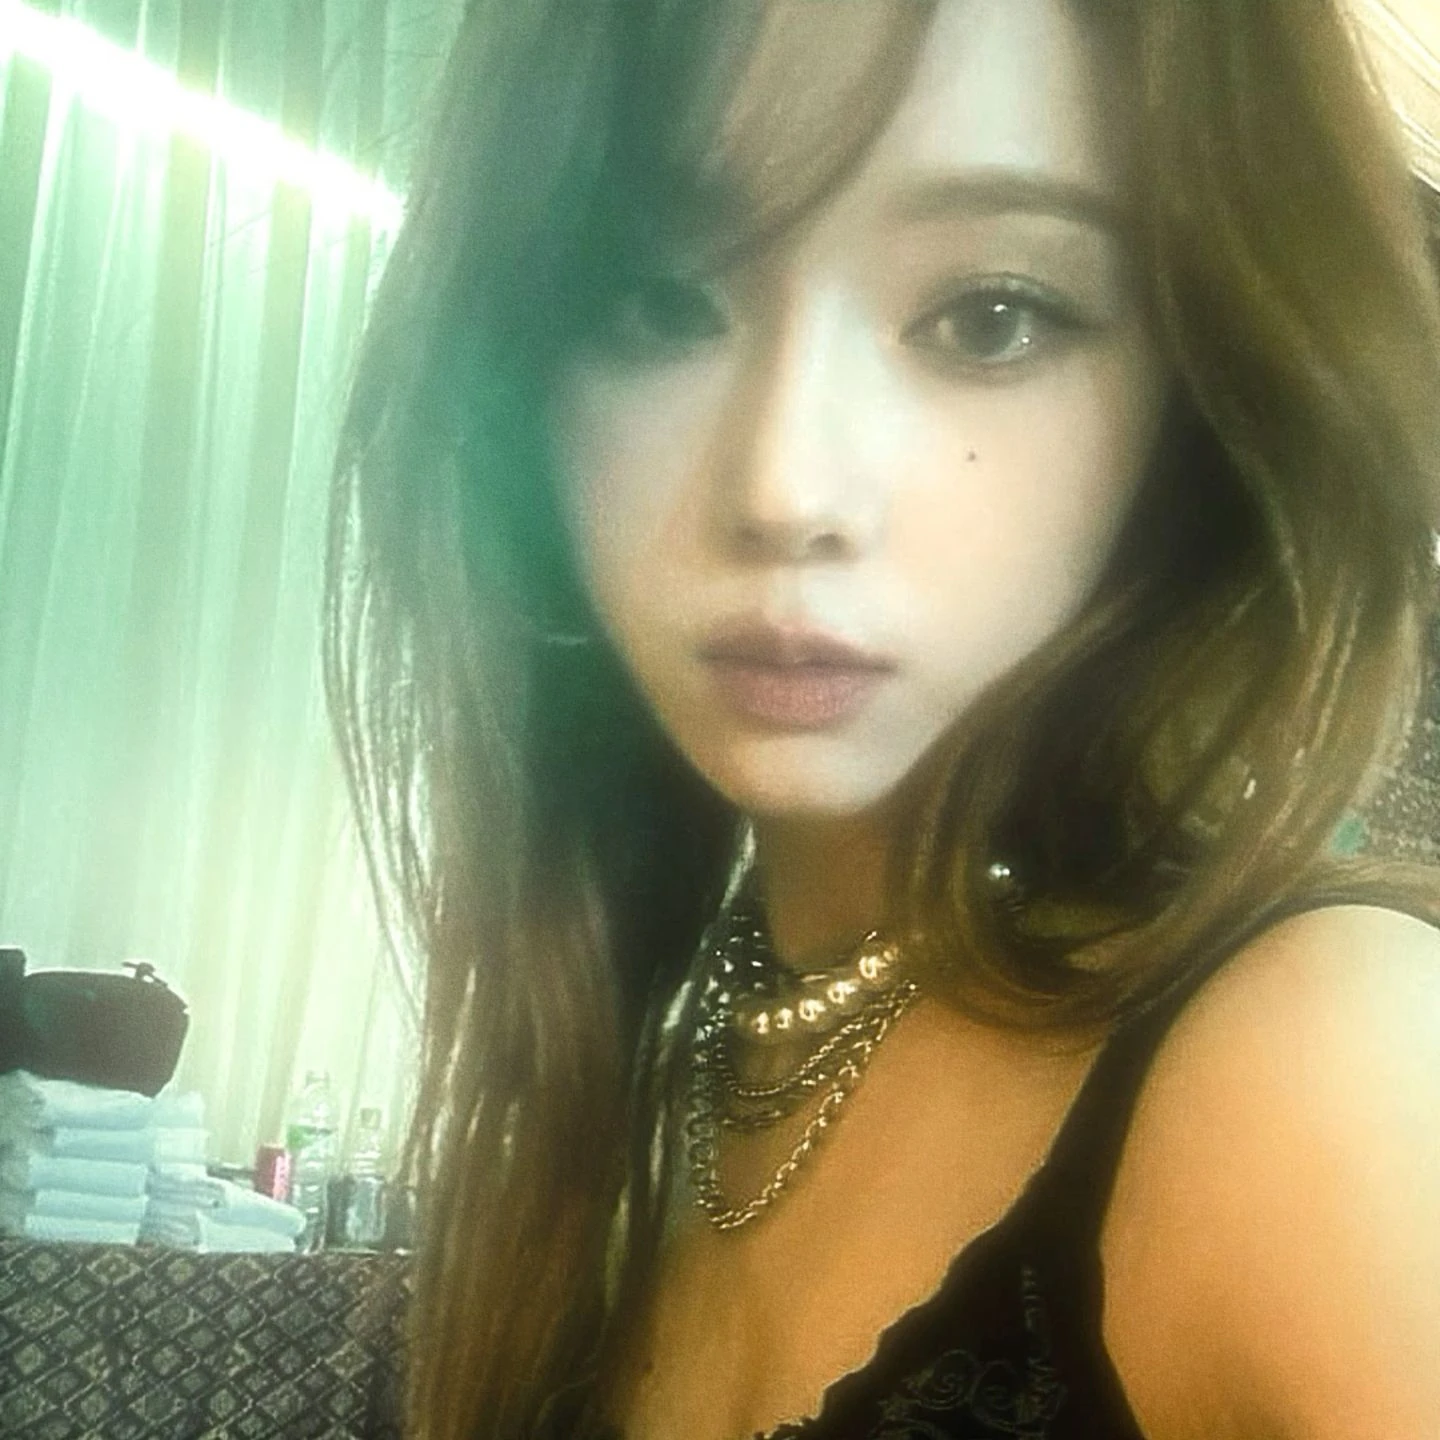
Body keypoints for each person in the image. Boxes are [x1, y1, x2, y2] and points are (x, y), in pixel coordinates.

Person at [325, 1, 1440, 1437]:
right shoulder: (648, 1070)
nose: (785, 487)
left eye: (990, 316)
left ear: (1196, 396)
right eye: (657, 302)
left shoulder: (1328, 1064)